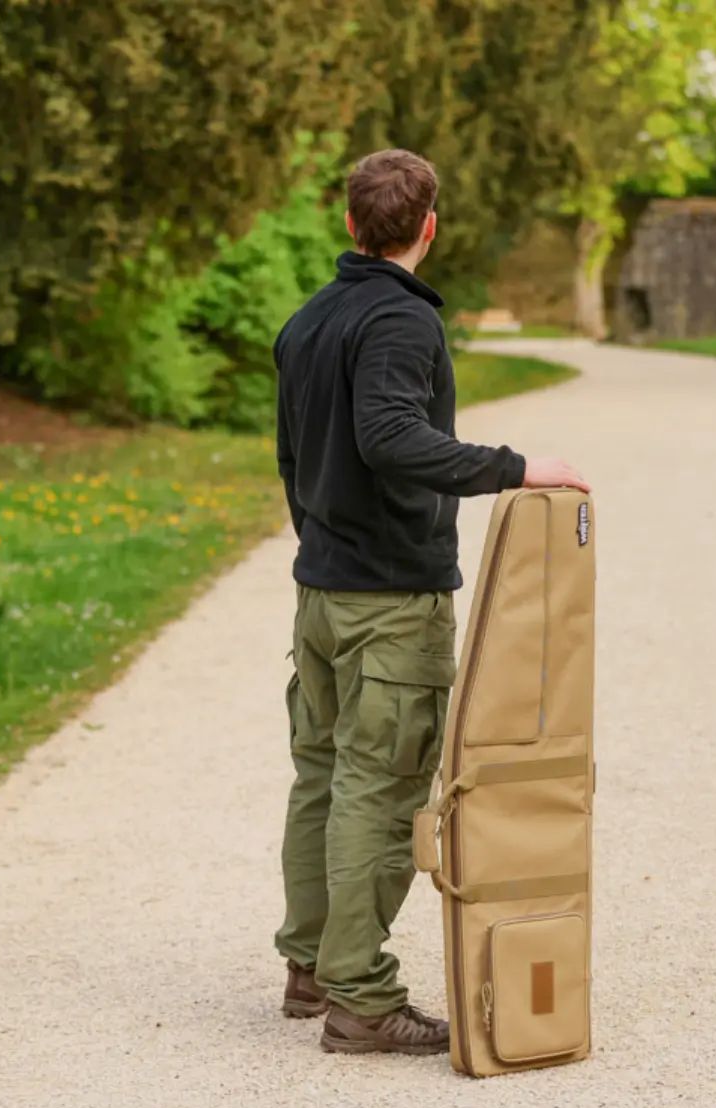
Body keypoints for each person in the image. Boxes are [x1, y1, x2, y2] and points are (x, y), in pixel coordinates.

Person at [272, 148, 589, 1055]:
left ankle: (309, 965)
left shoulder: (308, 320)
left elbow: (295, 458)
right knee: (382, 787)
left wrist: (319, 538)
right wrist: (516, 470)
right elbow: (390, 437)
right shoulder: (401, 324)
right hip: (389, 599)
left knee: (324, 777)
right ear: (429, 229)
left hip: (323, 592)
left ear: (349, 226)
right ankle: (361, 998)